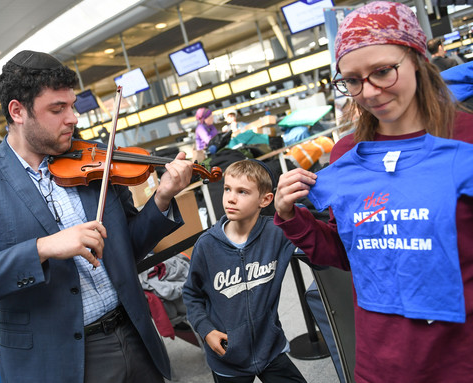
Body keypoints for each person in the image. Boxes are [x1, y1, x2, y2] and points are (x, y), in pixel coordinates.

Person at [0, 50, 194, 383]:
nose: (72, 118)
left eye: (71, 105)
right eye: (57, 109)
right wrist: (42, 248)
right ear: (18, 111)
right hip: (58, 361)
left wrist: (162, 197)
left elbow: (127, 248)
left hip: (133, 337)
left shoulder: (94, 158)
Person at [273, 2, 473, 382]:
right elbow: (352, 254)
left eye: (382, 71)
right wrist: (289, 217)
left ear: (417, 58)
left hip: (459, 356)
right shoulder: (346, 154)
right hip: (379, 360)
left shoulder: (465, 138)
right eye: (351, 80)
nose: (369, 92)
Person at [183, 159, 306, 383]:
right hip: (227, 355)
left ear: (265, 199)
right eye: (227, 189)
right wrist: (205, 329)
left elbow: (315, 225)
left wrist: (287, 207)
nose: (230, 198)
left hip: (270, 348)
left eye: (242, 192)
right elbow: (192, 294)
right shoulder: (206, 245)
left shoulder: (278, 232)